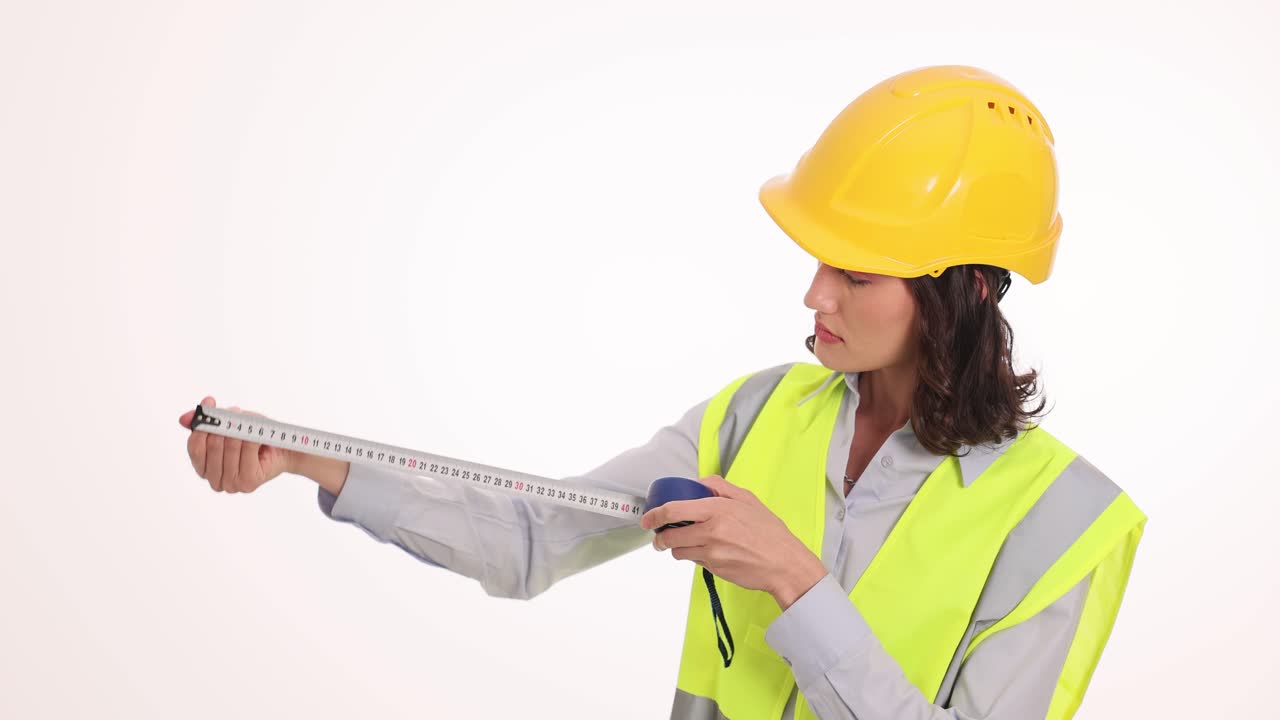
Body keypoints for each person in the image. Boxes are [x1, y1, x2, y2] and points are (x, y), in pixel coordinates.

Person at [178, 65, 1147, 719]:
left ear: (961, 289)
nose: (813, 294)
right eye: (819, 261)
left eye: (854, 274)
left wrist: (793, 580)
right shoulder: (751, 417)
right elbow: (529, 538)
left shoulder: (1063, 525)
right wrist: (307, 453)